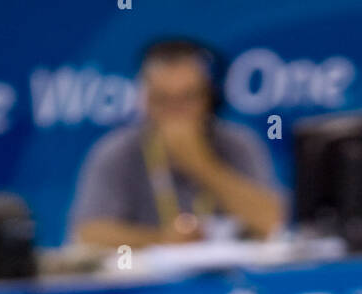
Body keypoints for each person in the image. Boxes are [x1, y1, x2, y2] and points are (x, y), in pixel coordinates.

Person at [68, 39, 284, 249]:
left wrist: (201, 164)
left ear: (210, 98)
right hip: (148, 282)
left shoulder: (238, 143)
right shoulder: (116, 151)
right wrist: (161, 240)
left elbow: (274, 221)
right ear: (145, 102)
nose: (176, 111)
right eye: (163, 100)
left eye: (188, 97)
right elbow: (87, 235)